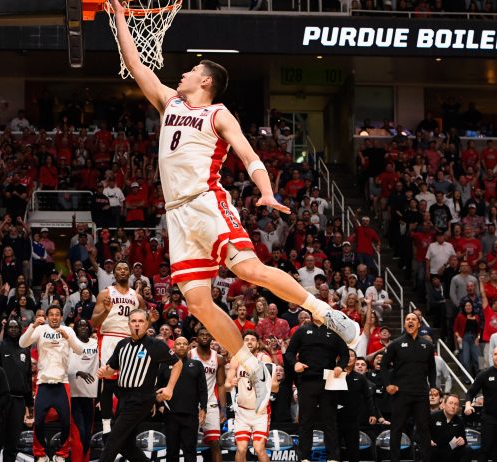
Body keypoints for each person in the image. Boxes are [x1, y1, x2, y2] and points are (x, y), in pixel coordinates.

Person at [107, 0, 358, 414]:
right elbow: (137, 66)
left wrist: (265, 190)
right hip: (177, 215)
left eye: (190, 71)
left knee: (247, 270)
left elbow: (248, 154)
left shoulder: (218, 113)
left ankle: (323, 311)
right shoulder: (170, 102)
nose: (182, 73)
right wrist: (119, 19)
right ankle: (247, 363)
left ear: (205, 82)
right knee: (198, 301)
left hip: (208, 202)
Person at [96, 309, 181, 462]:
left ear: (147, 324)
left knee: (113, 439)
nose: (137, 324)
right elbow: (111, 370)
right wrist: (104, 371)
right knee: (125, 444)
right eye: (134, 321)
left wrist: (170, 388)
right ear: (128, 324)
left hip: (141, 398)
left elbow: (177, 363)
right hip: (123, 398)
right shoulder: (122, 345)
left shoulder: (155, 345)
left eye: (141, 321)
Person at [20, 305, 87, 462]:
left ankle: (61, 454)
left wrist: (68, 338)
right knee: (38, 421)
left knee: (65, 422)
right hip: (43, 383)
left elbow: (80, 350)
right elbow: (23, 344)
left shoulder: (68, 331)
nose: (55, 317)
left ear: (61, 317)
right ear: (47, 317)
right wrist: (33, 325)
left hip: (61, 383)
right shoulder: (41, 329)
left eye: (58, 314)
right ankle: (40, 453)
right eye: (51, 315)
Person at [90, 261, 145, 437]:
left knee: (129, 384)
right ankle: (106, 425)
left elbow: (144, 323)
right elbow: (94, 322)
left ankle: (123, 422)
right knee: (108, 382)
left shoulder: (138, 298)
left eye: (125, 269)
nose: (122, 271)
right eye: (119, 269)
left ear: (130, 273)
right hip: (109, 338)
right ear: (114, 273)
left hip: (130, 340)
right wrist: (106, 311)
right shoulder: (105, 293)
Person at [284, 314, 349, 462]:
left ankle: (333, 457)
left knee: (330, 420)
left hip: (330, 380)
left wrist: (340, 366)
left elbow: (345, 355)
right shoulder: (302, 330)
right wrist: (295, 364)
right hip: (307, 380)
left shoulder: (334, 332)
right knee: (306, 420)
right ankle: (303, 457)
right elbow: (289, 353)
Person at [382, 312, 436, 462]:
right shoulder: (396, 344)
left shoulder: (428, 345)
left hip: (421, 393)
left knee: (424, 429)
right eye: (408, 319)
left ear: (419, 324)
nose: (410, 321)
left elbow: (432, 368)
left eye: (413, 319)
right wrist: (387, 384)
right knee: (397, 428)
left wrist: (434, 386)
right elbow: (383, 365)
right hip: (401, 393)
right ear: (404, 324)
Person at [225, 330, 275, 462]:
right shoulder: (236, 359)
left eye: (253, 339)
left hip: (260, 412)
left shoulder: (264, 359)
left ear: (258, 344)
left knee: (259, 448)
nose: (249, 342)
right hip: (242, 411)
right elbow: (226, 385)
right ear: (242, 343)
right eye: (246, 340)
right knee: (241, 449)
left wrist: (262, 379)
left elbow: (275, 386)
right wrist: (231, 383)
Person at [0, 318, 32, 462]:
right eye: (10, 327)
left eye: (16, 327)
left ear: (21, 330)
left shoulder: (25, 349)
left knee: (13, 441)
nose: (13, 329)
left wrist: (30, 404)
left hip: (19, 401)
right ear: (6, 329)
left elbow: (27, 378)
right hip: (2, 400)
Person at [160, 336, 207, 462]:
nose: (181, 346)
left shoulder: (197, 365)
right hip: (170, 414)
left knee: (190, 450)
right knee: (171, 450)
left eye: (184, 343)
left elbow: (203, 389)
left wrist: (203, 408)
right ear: (173, 347)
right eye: (178, 344)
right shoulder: (164, 365)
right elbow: (157, 386)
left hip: (191, 414)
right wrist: (157, 403)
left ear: (188, 347)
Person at [189, 326, 226, 461]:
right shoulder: (189, 355)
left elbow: (221, 385)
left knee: (215, 443)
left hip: (210, 404)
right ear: (196, 338)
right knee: (189, 443)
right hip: (191, 404)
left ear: (211, 338)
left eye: (207, 334)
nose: (205, 336)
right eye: (202, 334)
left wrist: (223, 409)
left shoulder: (219, 358)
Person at [337, 349, 377, 462]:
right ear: (340, 358)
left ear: (355, 359)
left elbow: (368, 397)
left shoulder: (361, 378)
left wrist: (372, 414)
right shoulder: (334, 374)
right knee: (335, 450)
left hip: (353, 419)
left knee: (353, 451)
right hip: (335, 418)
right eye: (347, 355)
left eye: (352, 356)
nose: (349, 358)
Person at [67, 319, 99, 462]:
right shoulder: (70, 344)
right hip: (74, 394)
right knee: (78, 434)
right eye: (79, 325)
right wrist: (78, 372)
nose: (83, 327)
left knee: (87, 436)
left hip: (90, 394)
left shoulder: (95, 343)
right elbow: (64, 366)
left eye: (86, 325)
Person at [465, 345, 497, 462]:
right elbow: (470, 392)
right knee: (485, 450)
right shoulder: (484, 374)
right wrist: (468, 404)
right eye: (495, 354)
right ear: (492, 356)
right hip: (489, 419)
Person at [430, 394, 472, 462]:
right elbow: (418, 434)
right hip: (435, 450)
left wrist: (462, 441)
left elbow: (463, 439)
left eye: (456, 404)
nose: (453, 406)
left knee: (468, 450)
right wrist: (427, 440)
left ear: (458, 407)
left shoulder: (459, 421)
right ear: (444, 404)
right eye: (450, 403)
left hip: (451, 451)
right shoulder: (433, 417)